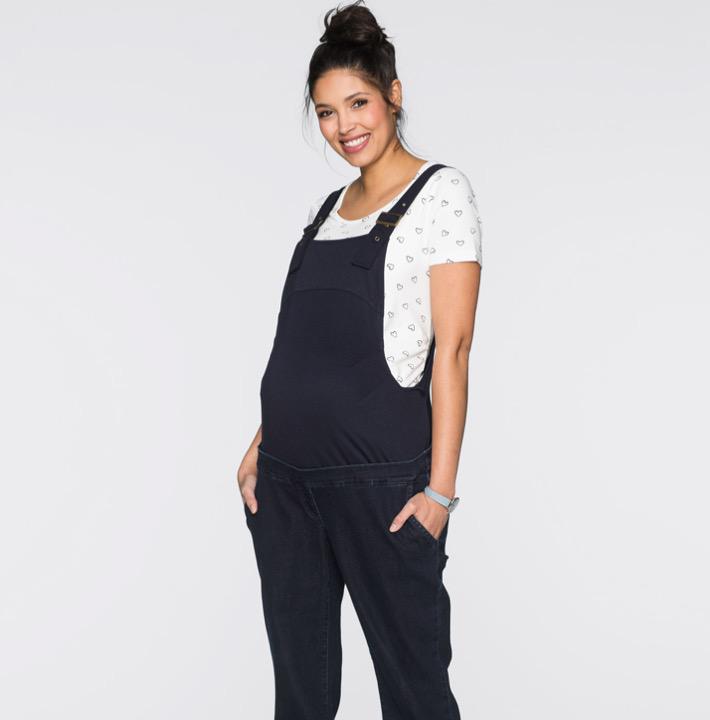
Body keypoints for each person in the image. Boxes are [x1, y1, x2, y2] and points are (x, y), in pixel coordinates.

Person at [236, 2, 482, 718]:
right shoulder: (326, 211)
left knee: (415, 694)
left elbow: (453, 350)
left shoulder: (441, 194)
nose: (343, 126)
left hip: (381, 487)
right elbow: (300, 348)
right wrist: (258, 447)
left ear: (393, 95)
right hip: (286, 485)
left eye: (357, 103)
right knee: (301, 698)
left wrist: (439, 495)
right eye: (325, 112)